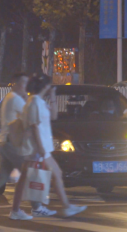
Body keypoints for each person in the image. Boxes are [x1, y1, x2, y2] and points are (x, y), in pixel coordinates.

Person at [0, 73, 55, 219]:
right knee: (29, 174)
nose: (26, 87)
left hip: (5, 142)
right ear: (15, 84)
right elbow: (30, 119)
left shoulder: (11, 98)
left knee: (2, 176)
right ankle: (36, 207)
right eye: (23, 83)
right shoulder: (15, 100)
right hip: (12, 144)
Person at [10, 74, 87, 219]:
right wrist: (41, 148)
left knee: (31, 177)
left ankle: (17, 210)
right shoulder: (34, 103)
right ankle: (65, 207)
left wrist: (52, 97)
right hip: (37, 148)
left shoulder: (38, 101)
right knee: (52, 174)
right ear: (44, 86)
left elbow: (53, 116)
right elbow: (34, 127)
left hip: (40, 148)